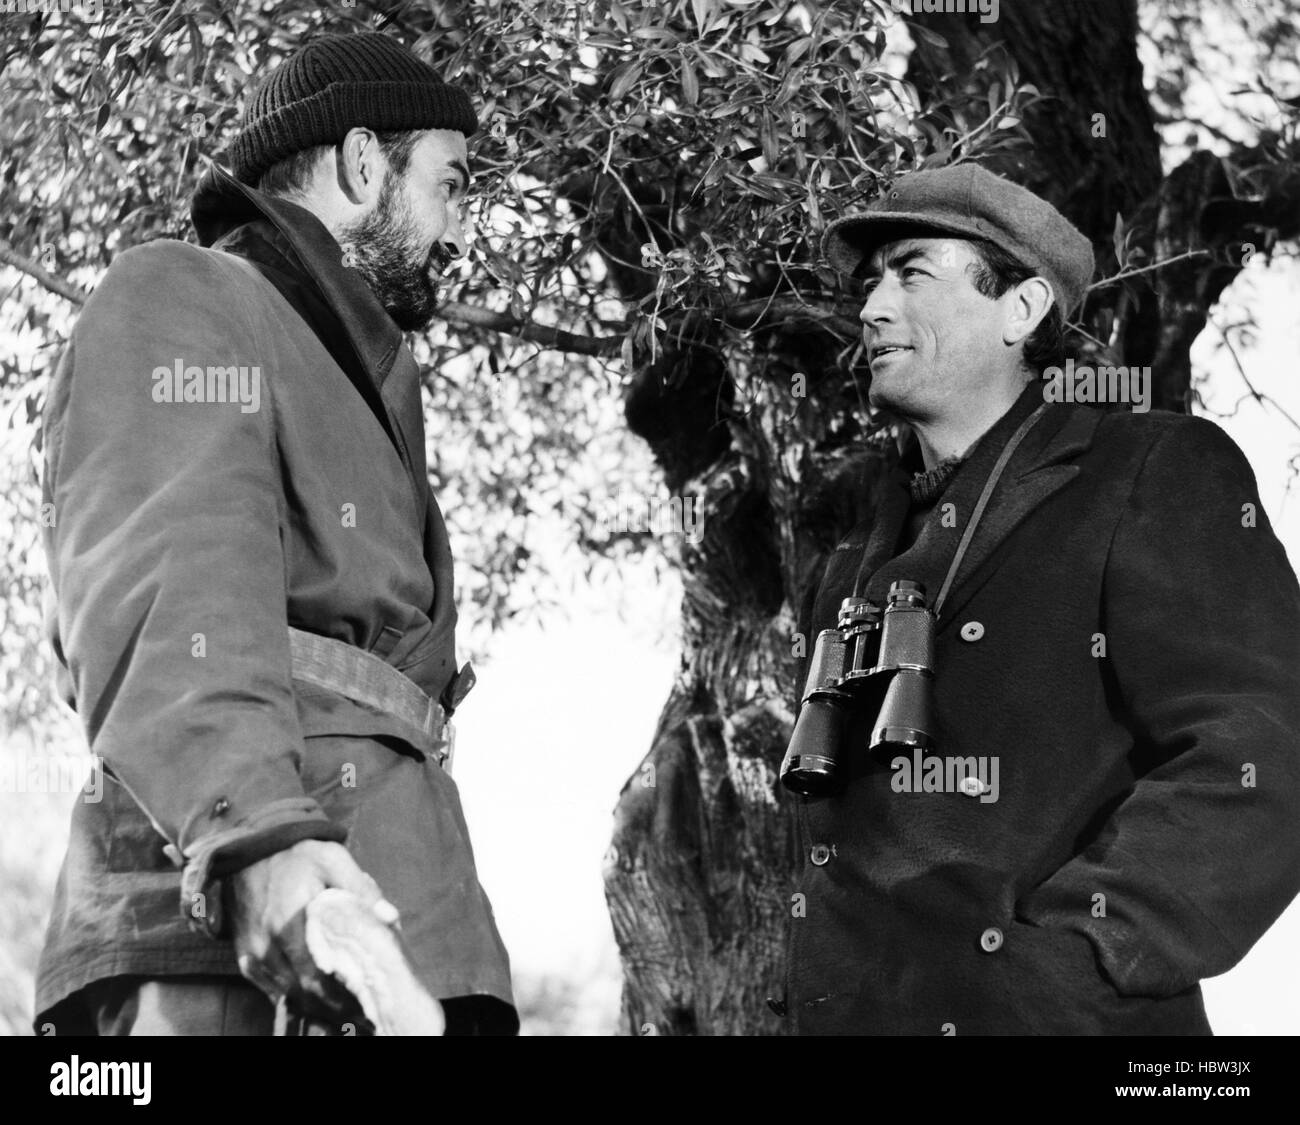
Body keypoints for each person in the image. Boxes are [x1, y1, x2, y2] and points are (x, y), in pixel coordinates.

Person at [35, 31, 516, 1035]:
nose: (457, 225)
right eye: (452, 182)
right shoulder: (187, 295)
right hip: (241, 951)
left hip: (393, 932)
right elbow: (173, 595)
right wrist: (256, 840)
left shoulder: (344, 361)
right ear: (360, 162)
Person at [780, 162, 1300, 1034]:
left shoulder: (1151, 471)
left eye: (910, 272)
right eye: (871, 281)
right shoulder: (852, 551)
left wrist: (1079, 958)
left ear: (1021, 310)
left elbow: (1265, 747)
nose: (870, 308)